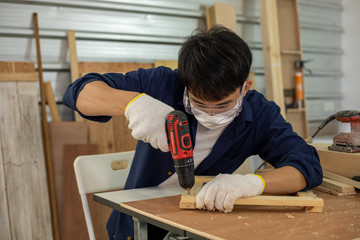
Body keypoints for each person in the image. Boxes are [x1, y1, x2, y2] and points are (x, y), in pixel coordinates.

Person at [63, 25, 322, 240]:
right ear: (185, 85)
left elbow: (306, 165)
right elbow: (77, 92)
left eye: (223, 105)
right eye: (199, 104)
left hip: (201, 226)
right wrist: (132, 103)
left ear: (245, 88)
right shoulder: (162, 85)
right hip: (135, 228)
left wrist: (251, 183)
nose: (211, 114)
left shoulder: (260, 114)